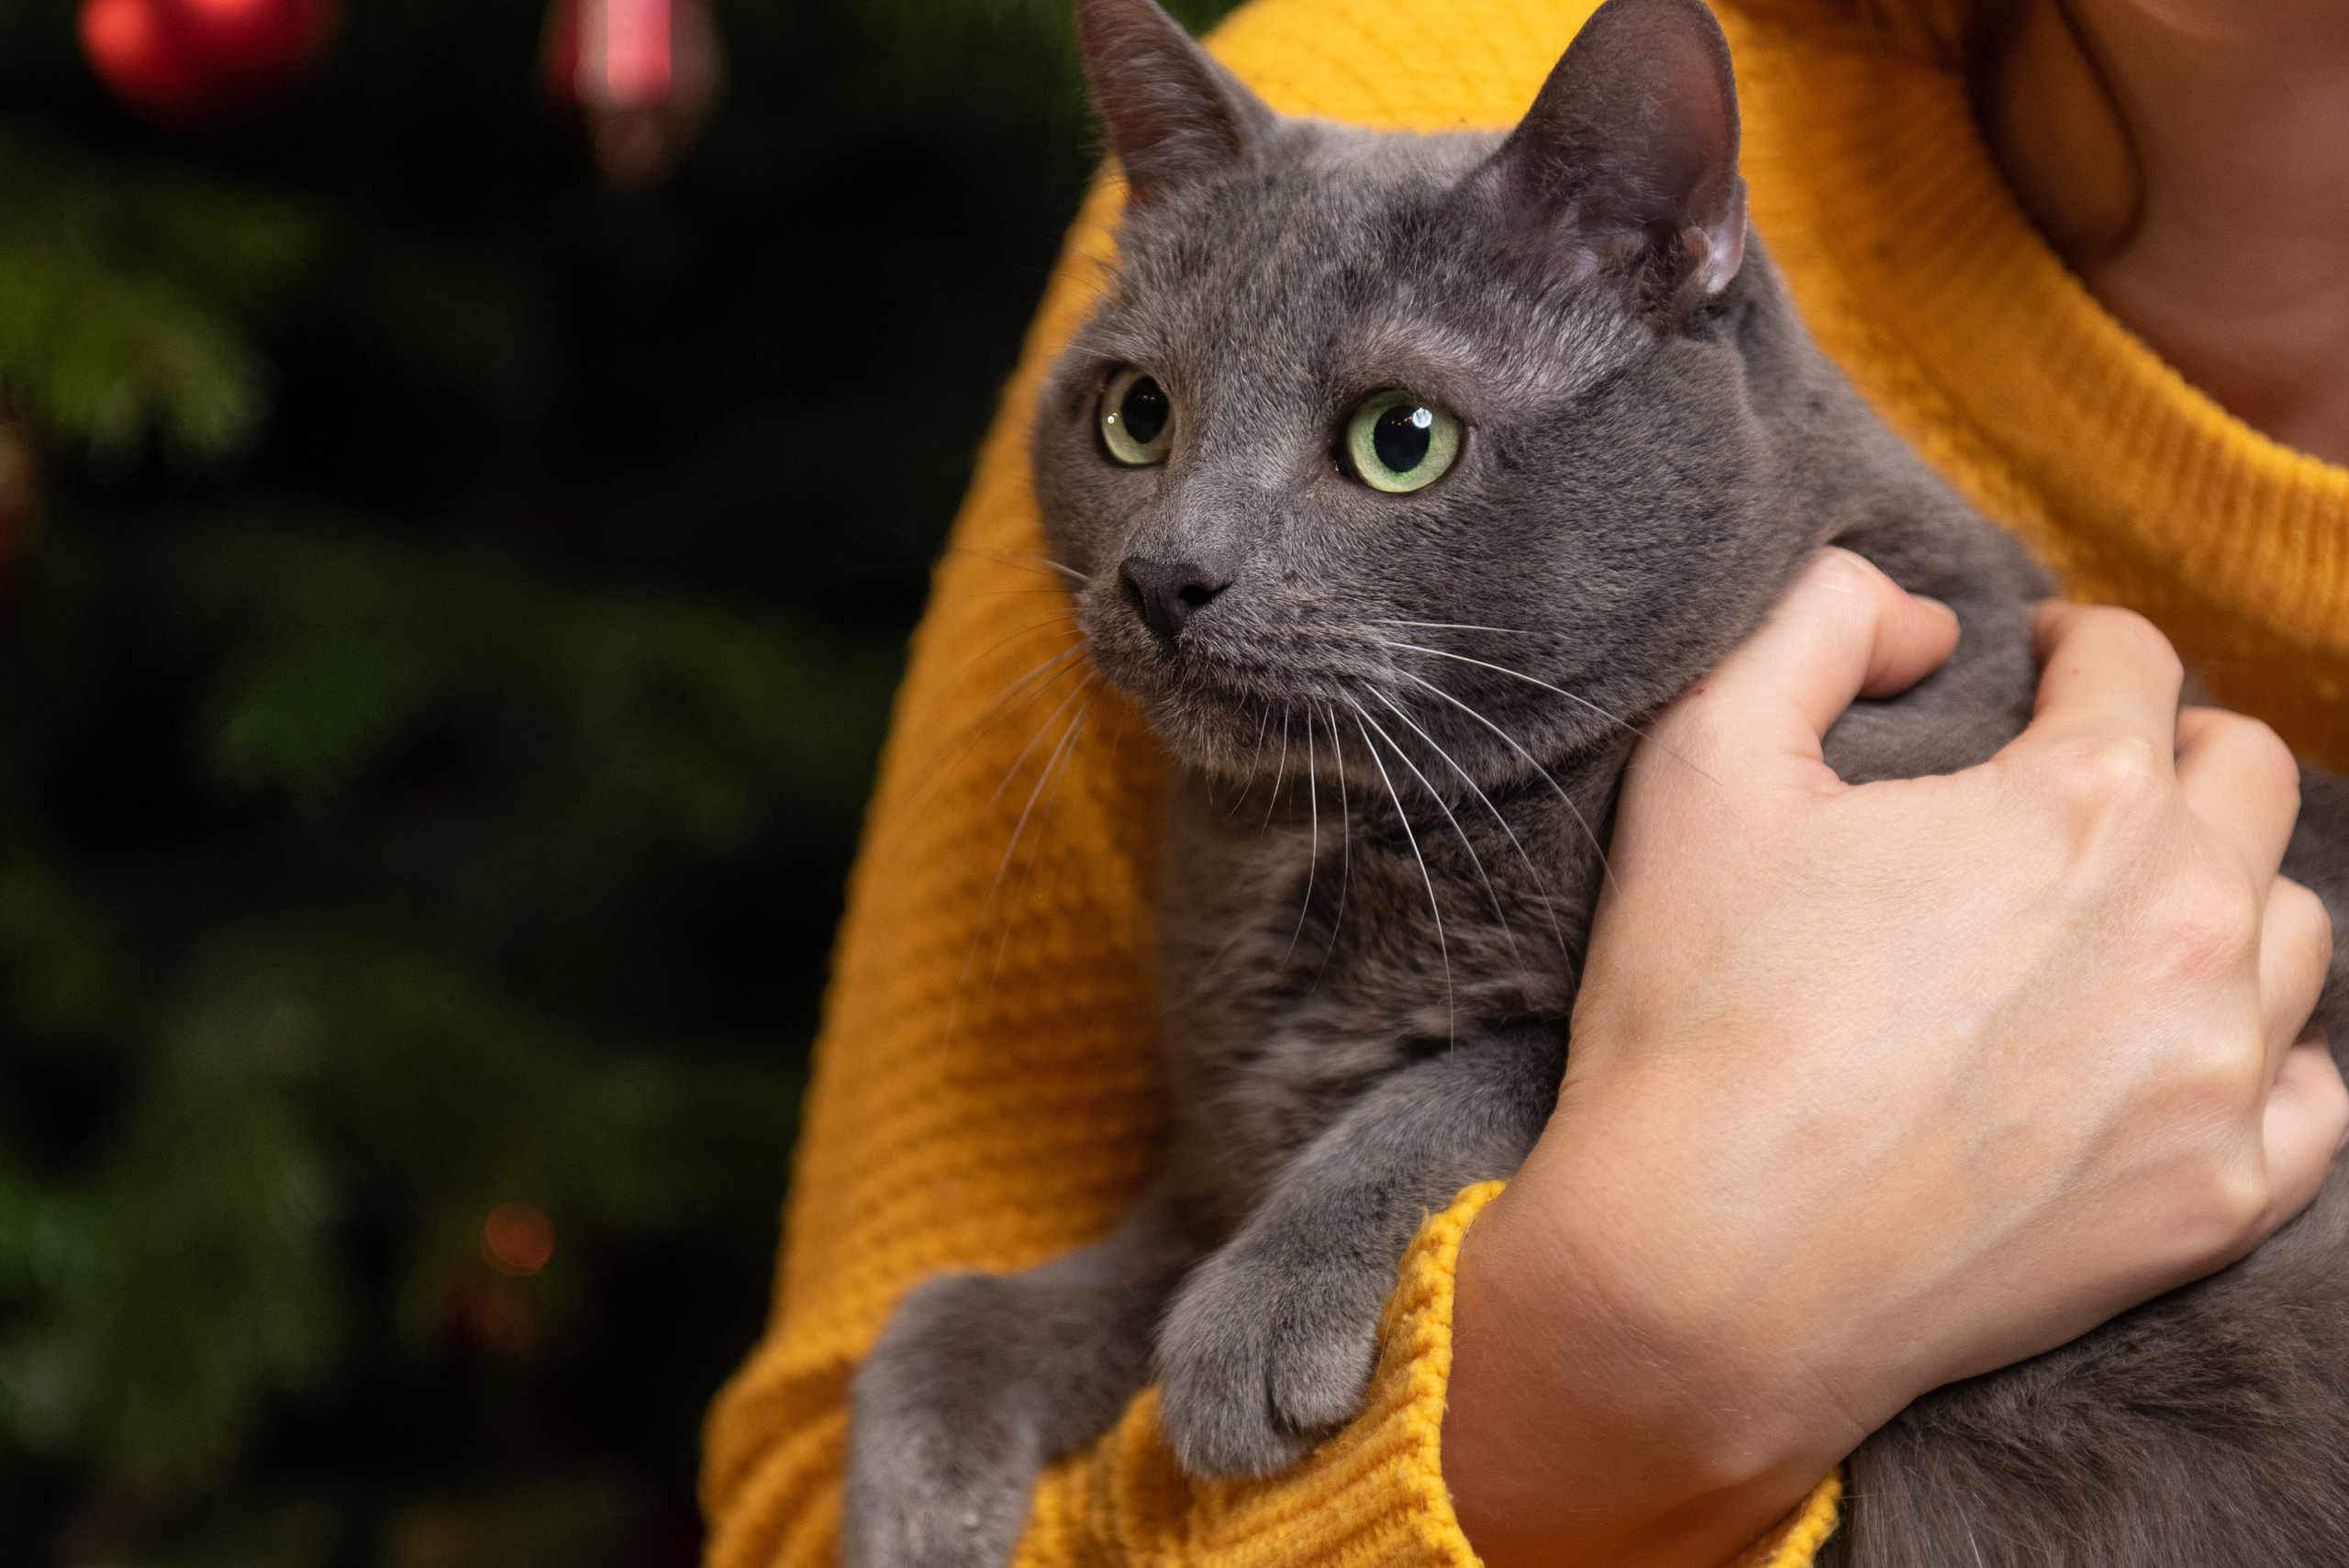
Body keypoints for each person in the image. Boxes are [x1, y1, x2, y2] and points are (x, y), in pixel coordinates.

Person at [699, 0, 2349, 1563]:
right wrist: (1587, 1370)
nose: (1178, 553)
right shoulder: (1376, 67)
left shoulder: (1953, 724)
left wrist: (1471, 1157)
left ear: (1664, 257)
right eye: (1142, 416)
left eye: (1394, 438)